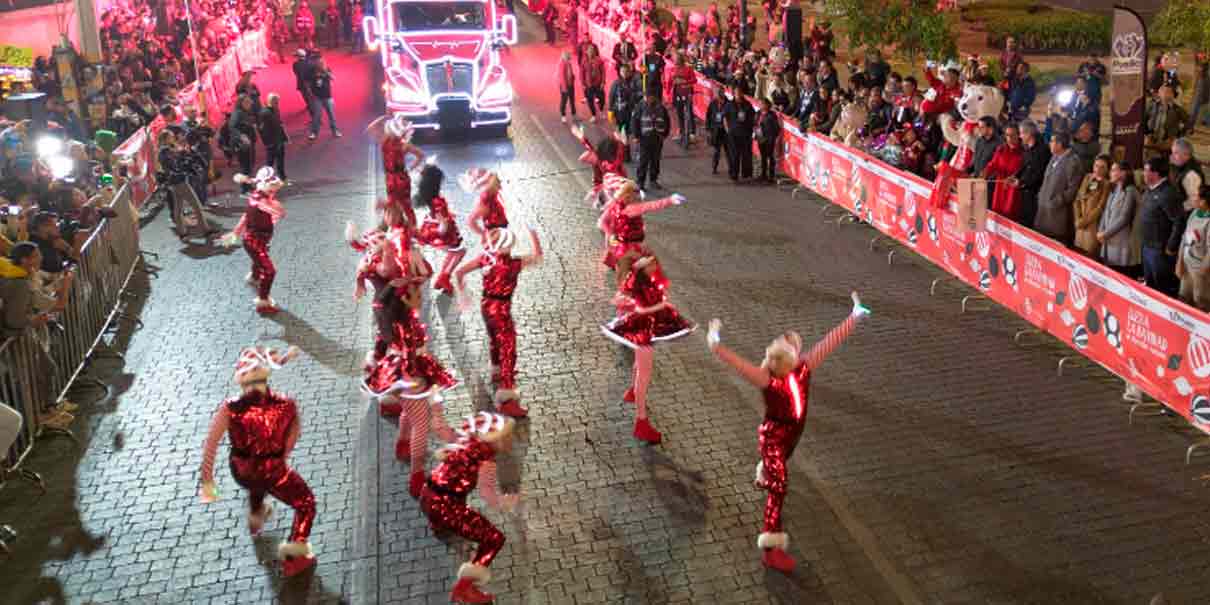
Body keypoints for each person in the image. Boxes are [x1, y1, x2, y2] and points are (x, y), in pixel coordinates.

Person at [706, 294, 868, 571]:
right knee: (779, 489)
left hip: (793, 435)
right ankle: (771, 547)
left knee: (779, 471)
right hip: (773, 439)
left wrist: (854, 315)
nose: (798, 342)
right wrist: (715, 342)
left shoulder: (803, 367)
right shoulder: (768, 377)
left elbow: (831, 341)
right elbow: (738, 363)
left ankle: (766, 473)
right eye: (793, 342)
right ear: (790, 357)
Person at [198, 345, 317, 577]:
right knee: (306, 502)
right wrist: (278, 458)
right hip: (273, 470)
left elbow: (211, 443)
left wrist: (208, 483)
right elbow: (292, 439)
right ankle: (294, 556)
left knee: (255, 483)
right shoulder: (287, 405)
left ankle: (256, 518)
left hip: (240, 470)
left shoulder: (230, 408)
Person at [420, 412, 521, 604]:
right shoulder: (486, 463)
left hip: (427, 496)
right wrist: (504, 503)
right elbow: (488, 495)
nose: (511, 440)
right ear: (493, 440)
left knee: (455, 495)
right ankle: (464, 589)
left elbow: (441, 428)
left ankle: (439, 526)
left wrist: (435, 405)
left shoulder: (463, 442)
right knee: (494, 539)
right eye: (506, 436)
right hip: (446, 507)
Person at [602, 250, 696, 444]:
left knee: (640, 366)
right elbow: (642, 309)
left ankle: (633, 392)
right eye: (651, 263)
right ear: (643, 267)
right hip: (642, 331)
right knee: (644, 373)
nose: (656, 266)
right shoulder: (640, 282)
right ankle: (641, 420)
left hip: (645, 328)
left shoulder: (642, 279)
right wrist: (661, 307)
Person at [453, 227, 543, 419]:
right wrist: (534, 235)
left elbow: (459, 273)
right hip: (502, 309)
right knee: (508, 347)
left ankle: (496, 369)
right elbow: (538, 256)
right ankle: (507, 396)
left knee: (494, 339)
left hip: (486, 306)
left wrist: (463, 294)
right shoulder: (513, 263)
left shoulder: (485, 258)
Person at [221, 168, 287, 314]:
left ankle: (254, 276)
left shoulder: (258, 197)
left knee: (258, 260)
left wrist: (235, 233)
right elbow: (277, 212)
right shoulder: (259, 201)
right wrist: (274, 207)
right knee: (270, 271)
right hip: (254, 241)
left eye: (274, 186)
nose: (273, 190)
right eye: (271, 186)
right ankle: (263, 302)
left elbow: (246, 217)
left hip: (257, 240)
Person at [597, 175, 684, 269]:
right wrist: (670, 200)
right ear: (629, 196)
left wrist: (610, 233)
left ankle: (616, 263)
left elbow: (602, 221)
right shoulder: (632, 208)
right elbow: (651, 205)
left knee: (615, 250)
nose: (639, 196)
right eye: (636, 193)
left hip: (619, 237)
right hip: (630, 238)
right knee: (642, 258)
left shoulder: (615, 204)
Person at [413, 163, 465, 295]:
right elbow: (442, 221)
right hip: (440, 231)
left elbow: (439, 215)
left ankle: (444, 277)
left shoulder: (432, 198)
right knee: (459, 252)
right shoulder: (437, 201)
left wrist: (448, 216)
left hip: (433, 227)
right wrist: (442, 230)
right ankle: (444, 277)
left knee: (454, 252)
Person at [1139, 156, 1185, 297]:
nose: (1143, 174)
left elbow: (1179, 221)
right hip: (1147, 246)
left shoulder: (1168, 194)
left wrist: (1171, 247)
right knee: (1150, 287)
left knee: (1161, 290)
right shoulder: (1149, 190)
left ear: (1156, 173)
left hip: (1159, 251)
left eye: (1146, 170)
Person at [1033, 132, 1084, 246]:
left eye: (1052, 141)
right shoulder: (1054, 157)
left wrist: (1056, 202)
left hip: (1057, 216)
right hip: (1043, 212)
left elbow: (1073, 189)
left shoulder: (1073, 161)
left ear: (1060, 144)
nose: (1049, 144)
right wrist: (1041, 195)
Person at [369, 114, 425, 217]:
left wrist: (384, 117)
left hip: (396, 178)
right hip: (395, 177)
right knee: (402, 206)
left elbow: (371, 128)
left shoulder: (388, 142)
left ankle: (406, 226)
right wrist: (411, 168)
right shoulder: (391, 142)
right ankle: (404, 226)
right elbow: (420, 156)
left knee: (401, 205)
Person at [0, 242, 52, 338]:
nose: (41, 258)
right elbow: (14, 321)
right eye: (36, 256)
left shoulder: (15, 273)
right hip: (12, 338)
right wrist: (34, 321)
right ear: (24, 260)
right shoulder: (20, 283)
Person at [1097, 161, 1140, 274]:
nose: (1110, 173)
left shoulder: (1130, 191)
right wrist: (1100, 231)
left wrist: (1105, 234)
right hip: (1108, 240)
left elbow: (1124, 218)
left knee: (1119, 273)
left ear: (1123, 173)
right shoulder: (1114, 189)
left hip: (1121, 243)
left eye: (1113, 170)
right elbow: (1105, 211)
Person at [629, 90, 671, 192]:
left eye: (650, 97)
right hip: (644, 139)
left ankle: (653, 180)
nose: (648, 99)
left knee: (655, 161)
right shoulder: (640, 107)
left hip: (657, 139)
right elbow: (635, 121)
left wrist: (664, 135)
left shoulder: (661, 108)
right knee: (643, 161)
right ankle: (640, 182)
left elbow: (667, 121)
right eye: (647, 97)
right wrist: (636, 136)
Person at [1012, 119, 1050, 230]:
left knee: (1029, 223)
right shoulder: (1027, 148)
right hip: (1024, 191)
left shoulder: (1042, 150)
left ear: (1029, 134)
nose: (1020, 136)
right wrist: (1016, 176)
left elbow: (1039, 173)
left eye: (1021, 133)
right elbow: (1024, 166)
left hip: (1034, 194)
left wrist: (1022, 182)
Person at [980, 123, 1024, 220]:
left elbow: (1023, 171)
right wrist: (986, 171)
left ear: (1018, 135)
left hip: (1012, 190)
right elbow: (993, 164)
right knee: (997, 214)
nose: (1009, 138)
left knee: (1010, 215)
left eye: (1012, 135)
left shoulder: (1023, 152)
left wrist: (1015, 178)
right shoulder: (1001, 149)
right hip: (999, 188)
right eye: (1007, 135)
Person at [1177, 184, 1210, 310]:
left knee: (1200, 304)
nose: (1194, 198)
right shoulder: (1195, 212)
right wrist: (1179, 261)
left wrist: (1202, 273)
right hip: (1187, 266)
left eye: (1196, 196)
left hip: (1200, 270)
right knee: (1183, 300)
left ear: (1204, 201)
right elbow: (1185, 238)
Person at [1072, 154, 1112, 256]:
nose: (1098, 169)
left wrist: (1084, 222)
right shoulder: (1087, 177)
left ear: (1107, 170)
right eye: (1096, 165)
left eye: (1102, 167)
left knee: (1088, 255)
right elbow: (1077, 199)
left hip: (1092, 227)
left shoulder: (1106, 184)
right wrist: (1077, 219)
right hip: (1079, 225)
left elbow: (1100, 208)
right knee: (1077, 254)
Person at [463, 168, 509, 240]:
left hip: (501, 230)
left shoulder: (494, 194)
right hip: (495, 237)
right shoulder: (485, 201)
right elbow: (470, 221)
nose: (500, 184)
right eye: (497, 181)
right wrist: (483, 234)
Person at [609, 64, 641, 162]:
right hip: (621, 113)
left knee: (636, 133)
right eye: (622, 71)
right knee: (623, 134)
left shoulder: (635, 82)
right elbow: (612, 97)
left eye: (626, 71)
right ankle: (626, 155)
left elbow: (640, 94)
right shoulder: (616, 83)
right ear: (619, 72)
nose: (624, 74)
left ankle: (638, 152)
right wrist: (610, 110)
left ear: (630, 72)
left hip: (632, 112)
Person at [1144, 84, 1189, 154]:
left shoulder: (1177, 109)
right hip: (1152, 137)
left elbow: (1188, 123)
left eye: (1168, 92)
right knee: (1146, 152)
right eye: (1163, 91)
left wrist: (1177, 136)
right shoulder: (1151, 105)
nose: (1165, 94)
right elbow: (1143, 120)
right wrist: (1147, 133)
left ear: (1173, 95)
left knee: (1166, 155)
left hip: (1167, 140)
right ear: (1159, 93)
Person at [228, 95, 259, 194]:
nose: (250, 104)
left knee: (249, 165)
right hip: (241, 145)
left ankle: (248, 186)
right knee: (245, 166)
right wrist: (242, 136)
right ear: (242, 103)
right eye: (248, 102)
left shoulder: (245, 113)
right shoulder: (237, 113)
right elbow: (232, 127)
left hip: (249, 143)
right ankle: (244, 189)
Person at [724, 84, 755, 181]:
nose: (738, 94)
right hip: (733, 133)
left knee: (746, 154)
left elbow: (753, 116)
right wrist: (727, 129)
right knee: (734, 154)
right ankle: (734, 174)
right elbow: (725, 117)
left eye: (739, 92)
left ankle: (746, 174)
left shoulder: (747, 104)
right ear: (734, 93)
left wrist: (751, 128)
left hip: (745, 133)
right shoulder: (729, 104)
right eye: (736, 92)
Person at [308, 57, 340, 140]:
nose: (320, 65)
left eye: (322, 63)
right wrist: (311, 93)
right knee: (317, 116)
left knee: (331, 115)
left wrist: (325, 71)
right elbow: (309, 82)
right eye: (319, 63)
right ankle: (314, 133)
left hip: (327, 97)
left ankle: (335, 131)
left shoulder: (327, 69)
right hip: (317, 97)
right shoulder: (312, 71)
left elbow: (333, 78)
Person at [259, 93, 289, 184]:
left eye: (277, 102)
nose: (277, 104)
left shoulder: (276, 110)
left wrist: (284, 137)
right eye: (275, 102)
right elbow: (263, 130)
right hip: (271, 142)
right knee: (270, 162)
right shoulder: (264, 113)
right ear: (269, 101)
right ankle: (266, 179)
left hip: (279, 139)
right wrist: (268, 143)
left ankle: (282, 177)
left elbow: (279, 124)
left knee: (280, 161)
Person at [1170, 138, 1204, 211]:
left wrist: (1175, 210)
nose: (1171, 156)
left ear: (1186, 155)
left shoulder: (1191, 176)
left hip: (1183, 214)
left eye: (1175, 153)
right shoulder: (1180, 164)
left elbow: (1193, 202)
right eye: (1172, 152)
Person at [670, 53, 697, 146]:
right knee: (679, 113)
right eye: (675, 59)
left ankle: (692, 133)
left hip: (687, 94)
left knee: (689, 113)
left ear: (681, 59)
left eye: (677, 58)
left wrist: (685, 81)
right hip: (677, 94)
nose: (676, 60)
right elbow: (671, 81)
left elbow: (695, 80)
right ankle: (681, 131)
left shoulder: (688, 68)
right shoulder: (673, 69)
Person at [705, 86, 731, 175]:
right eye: (719, 93)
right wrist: (708, 129)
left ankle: (731, 168)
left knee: (728, 151)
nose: (720, 95)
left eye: (722, 93)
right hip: (716, 131)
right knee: (716, 151)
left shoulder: (729, 104)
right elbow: (708, 116)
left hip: (726, 131)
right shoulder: (713, 103)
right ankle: (714, 167)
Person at [754, 97, 780, 184]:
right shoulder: (758, 113)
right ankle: (763, 175)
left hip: (769, 138)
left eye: (763, 104)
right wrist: (755, 132)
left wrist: (773, 137)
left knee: (770, 157)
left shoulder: (772, 115)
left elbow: (777, 128)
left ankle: (771, 176)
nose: (761, 105)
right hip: (760, 137)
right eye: (760, 104)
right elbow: (755, 123)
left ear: (767, 105)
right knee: (763, 157)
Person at [581, 45, 607, 123]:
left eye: (592, 51)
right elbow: (581, 73)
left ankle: (601, 110)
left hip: (598, 83)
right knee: (590, 100)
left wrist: (603, 82)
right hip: (589, 84)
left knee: (602, 98)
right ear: (587, 52)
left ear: (594, 52)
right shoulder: (584, 61)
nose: (591, 52)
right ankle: (593, 115)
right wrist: (583, 83)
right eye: (589, 51)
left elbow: (603, 72)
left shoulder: (599, 60)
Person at [557, 51, 578, 123]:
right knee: (564, 101)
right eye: (568, 57)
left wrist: (573, 77)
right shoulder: (561, 64)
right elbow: (562, 77)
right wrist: (564, 88)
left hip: (570, 85)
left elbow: (570, 73)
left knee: (572, 100)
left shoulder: (568, 63)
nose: (569, 58)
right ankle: (563, 115)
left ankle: (574, 114)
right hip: (565, 86)